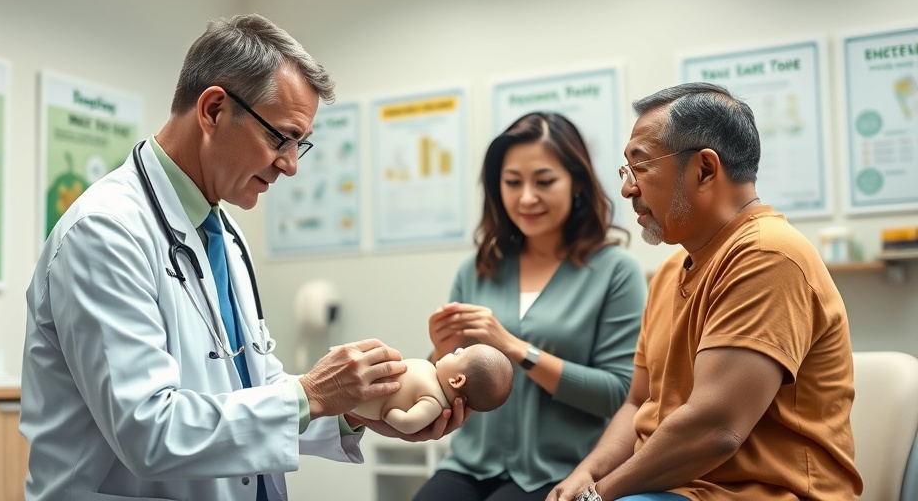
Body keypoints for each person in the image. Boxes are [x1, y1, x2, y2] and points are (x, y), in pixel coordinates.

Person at [19, 14, 466, 501]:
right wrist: (312, 393)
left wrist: (350, 409)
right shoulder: (104, 232)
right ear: (213, 109)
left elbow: (249, 384)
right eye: (281, 137)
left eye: (300, 144)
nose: (291, 165)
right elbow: (148, 431)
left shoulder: (222, 232)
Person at [548, 82, 862, 501]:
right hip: (674, 490)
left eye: (639, 167)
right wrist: (584, 476)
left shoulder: (769, 255)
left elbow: (716, 428)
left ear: (705, 169)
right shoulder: (670, 272)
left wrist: (599, 496)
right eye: (626, 171)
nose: (627, 189)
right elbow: (637, 403)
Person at [415, 112, 647, 501]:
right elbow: (447, 381)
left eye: (544, 181)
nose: (526, 198)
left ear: (576, 183)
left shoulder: (616, 271)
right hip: (469, 464)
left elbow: (619, 393)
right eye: (512, 182)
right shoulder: (477, 269)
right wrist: (439, 352)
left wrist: (515, 348)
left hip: (561, 471)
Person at [353, 344, 514, 434]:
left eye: (458, 355)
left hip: (363, 399)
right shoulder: (431, 371)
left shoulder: (434, 402)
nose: (456, 349)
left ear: (456, 380)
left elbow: (409, 424)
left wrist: (388, 414)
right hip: (360, 378)